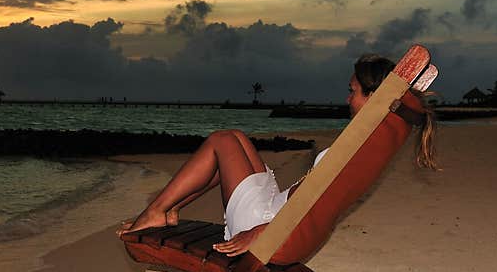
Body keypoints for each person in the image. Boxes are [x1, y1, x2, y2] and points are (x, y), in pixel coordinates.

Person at [117, 54, 438, 256]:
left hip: (268, 223)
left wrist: (262, 232)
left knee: (221, 140)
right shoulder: (366, 143)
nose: (347, 98)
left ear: (372, 97)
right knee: (237, 139)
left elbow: (315, 200)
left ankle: (157, 209)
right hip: (279, 215)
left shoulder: (357, 144)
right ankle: (169, 208)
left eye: (353, 91)